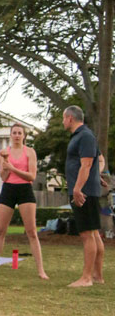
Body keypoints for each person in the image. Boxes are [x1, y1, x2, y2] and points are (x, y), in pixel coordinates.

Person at [0, 123, 48, 280]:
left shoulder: (30, 152)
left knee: (31, 232)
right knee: (0, 231)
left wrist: (13, 168)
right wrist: (5, 167)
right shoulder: (4, 152)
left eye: (20, 133)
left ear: (24, 136)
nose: (17, 135)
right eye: (14, 133)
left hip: (25, 190)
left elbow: (31, 176)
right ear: (10, 135)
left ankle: (41, 271)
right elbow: (4, 177)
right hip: (8, 190)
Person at [62, 105, 104, 287]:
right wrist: (97, 175)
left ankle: (86, 278)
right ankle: (97, 276)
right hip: (87, 188)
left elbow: (86, 165)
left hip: (83, 192)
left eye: (63, 118)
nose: (63, 122)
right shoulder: (82, 136)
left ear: (70, 118)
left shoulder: (85, 136)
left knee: (87, 234)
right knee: (94, 233)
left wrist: (78, 189)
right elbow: (97, 161)